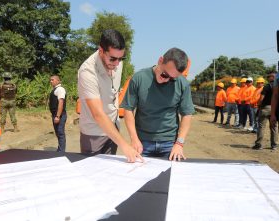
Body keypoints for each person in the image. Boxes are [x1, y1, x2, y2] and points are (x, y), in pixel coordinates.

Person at [78, 29, 142, 163]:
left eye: (121, 58)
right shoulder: (87, 71)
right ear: (101, 50)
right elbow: (98, 114)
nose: (117, 63)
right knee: (92, 174)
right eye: (112, 58)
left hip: (113, 129)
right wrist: (124, 145)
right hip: (94, 134)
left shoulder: (117, 62)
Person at [121, 48, 195, 161]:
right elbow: (128, 109)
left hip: (170, 144)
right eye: (165, 75)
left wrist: (179, 143)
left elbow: (187, 114)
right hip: (142, 142)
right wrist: (134, 138)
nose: (166, 80)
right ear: (160, 61)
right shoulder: (139, 78)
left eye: (172, 79)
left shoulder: (182, 84)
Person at [253, 73, 277, 150]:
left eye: (268, 77)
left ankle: (258, 144)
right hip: (275, 109)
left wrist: (259, 105)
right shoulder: (277, 86)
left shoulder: (267, 86)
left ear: (272, 78)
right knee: (273, 127)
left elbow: (261, 98)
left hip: (265, 108)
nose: (267, 78)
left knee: (261, 126)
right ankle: (274, 145)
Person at [49, 75, 67, 152]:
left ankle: (61, 152)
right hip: (55, 115)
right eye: (50, 80)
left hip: (60, 115)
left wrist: (57, 116)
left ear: (58, 81)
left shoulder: (60, 89)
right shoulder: (55, 89)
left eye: (52, 80)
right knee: (58, 133)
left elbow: (61, 102)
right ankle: (60, 149)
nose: (51, 81)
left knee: (60, 133)